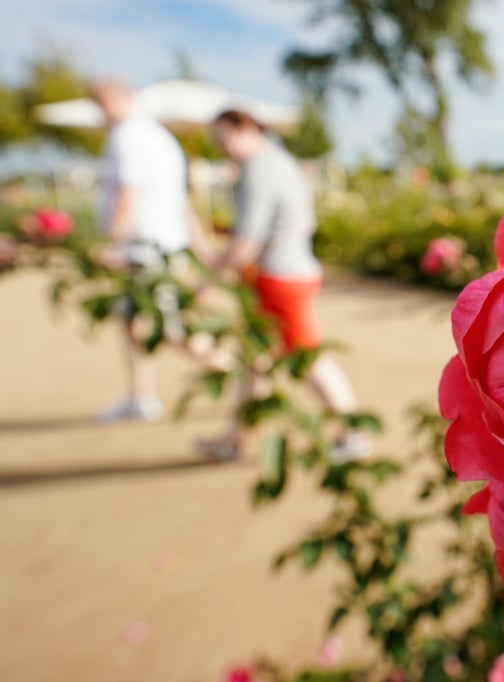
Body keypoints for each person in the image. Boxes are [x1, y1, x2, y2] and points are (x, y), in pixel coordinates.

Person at [199, 108, 369, 461]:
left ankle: (353, 432)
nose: (220, 146)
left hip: (279, 278)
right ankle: (235, 439)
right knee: (254, 361)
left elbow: (248, 238)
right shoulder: (280, 163)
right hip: (288, 272)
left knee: (306, 357)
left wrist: (209, 278)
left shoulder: (258, 169)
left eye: (222, 137)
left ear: (244, 128)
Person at [90, 78, 205, 422]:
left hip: (144, 248)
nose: (100, 113)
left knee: (167, 327)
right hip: (154, 245)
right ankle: (141, 396)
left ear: (119, 98)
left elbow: (128, 192)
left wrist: (112, 243)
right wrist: (199, 242)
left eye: (101, 103)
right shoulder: (157, 135)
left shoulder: (129, 136)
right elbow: (181, 199)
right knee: (133, 322)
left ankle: (241, 369)